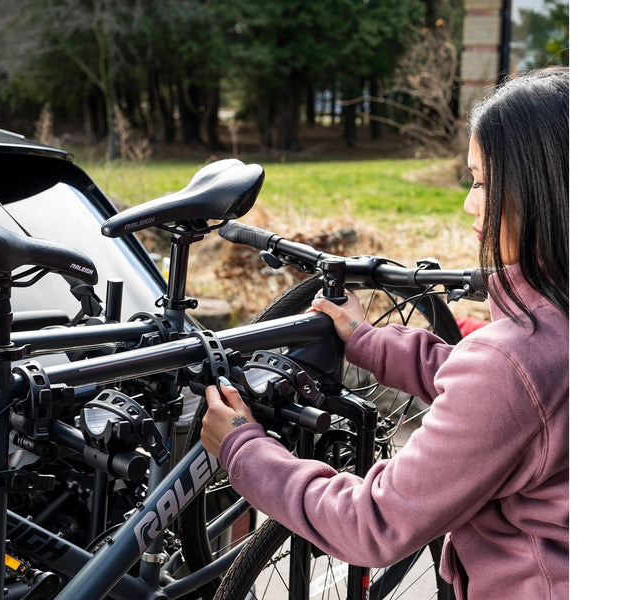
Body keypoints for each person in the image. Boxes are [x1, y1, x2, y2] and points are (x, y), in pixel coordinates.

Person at [201, 66, 569, 600]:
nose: (469, 203)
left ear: (541, 191)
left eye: (482, 181)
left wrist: (240, 448)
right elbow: (514, 399)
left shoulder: (516, 359)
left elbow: (370, 523)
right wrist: (369, 340)